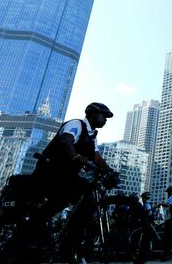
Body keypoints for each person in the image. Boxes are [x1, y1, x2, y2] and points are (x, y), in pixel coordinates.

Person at [33, 102, 114, 258]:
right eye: (103, 116)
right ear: (93, 114)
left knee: (85, 202)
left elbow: (97, 157)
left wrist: (109, 171)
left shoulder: (92, 136)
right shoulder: (76, 124)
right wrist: (76, 156)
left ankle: (69, 244)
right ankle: (48, 235)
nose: (105, 119)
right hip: (51, 171)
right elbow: (66, 140)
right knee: (74, 198)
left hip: (67, 176)